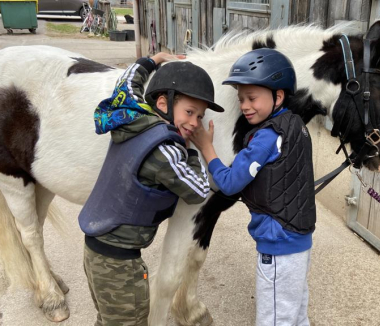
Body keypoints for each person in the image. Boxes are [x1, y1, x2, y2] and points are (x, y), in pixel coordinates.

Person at [78, 52, 224, 326]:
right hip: (120, 264)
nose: (195, 123)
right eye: (189, 112)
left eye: (200, 117)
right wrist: (200, 150)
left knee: (110, 320)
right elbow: (198, 191)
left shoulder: (130, 115)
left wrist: (152, 60)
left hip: (95, 250)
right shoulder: (166, 151)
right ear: (163, 103)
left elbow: (127, 83)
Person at [189, 48, 316, 326]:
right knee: (296, 312)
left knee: (274, 319)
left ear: (278, 96)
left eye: (251, 98)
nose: (244, 106)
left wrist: (207, 148)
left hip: (278, 245)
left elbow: (230, 183)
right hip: (300, 240)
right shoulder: (295, 125)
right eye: (240, 99)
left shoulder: (266, 138)